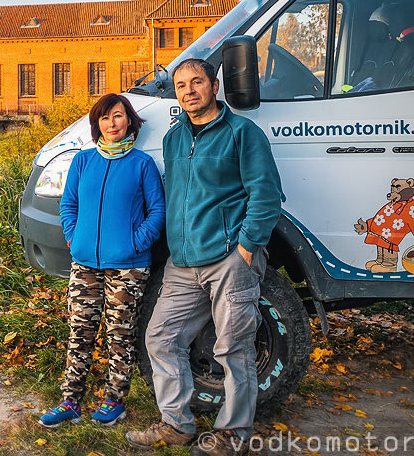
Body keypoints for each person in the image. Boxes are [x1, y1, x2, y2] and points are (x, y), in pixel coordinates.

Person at [126, 59, 282, 456]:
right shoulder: (174, 138)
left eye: (197, 82)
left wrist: (245, 247)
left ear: (214, 85)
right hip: (183, 263)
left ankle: (233, 435)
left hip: (229, 260)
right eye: (181, 85)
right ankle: (176, 424)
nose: (189, 90)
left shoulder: (243, 133)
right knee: (161, 338)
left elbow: (266, 196)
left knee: (233, 349)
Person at [38, 93, 166, 428]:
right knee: (80, 332)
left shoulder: (142, 165)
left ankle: (114, 401)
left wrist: (134, 243)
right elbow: (69, 205)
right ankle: (70, 402)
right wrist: (73, 238)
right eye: (105, 118)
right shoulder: (82, 162)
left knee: (119, 335)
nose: (112, 124)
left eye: (119, 116)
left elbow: (157, 212)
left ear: (130, 122)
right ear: (97, 124)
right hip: (85, 264)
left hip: (128, 266)